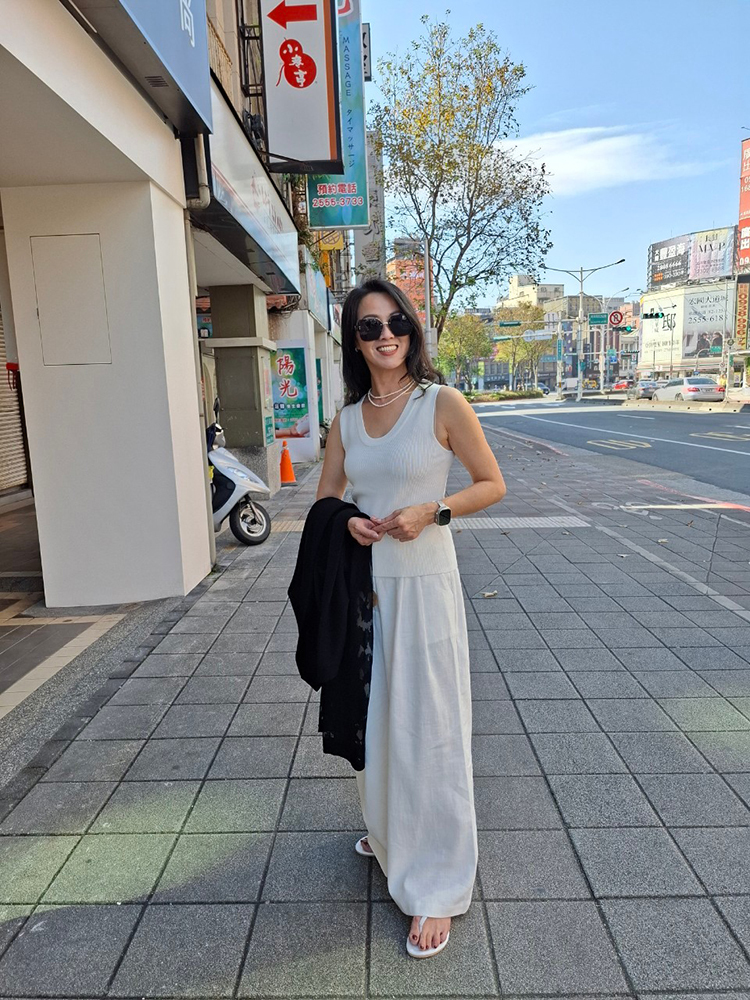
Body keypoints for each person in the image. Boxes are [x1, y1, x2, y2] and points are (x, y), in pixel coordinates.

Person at [315, 278, 506, 958]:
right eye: (370, 326)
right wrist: (349, 523)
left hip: (425, 587)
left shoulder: (440, 403)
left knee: (430, 728)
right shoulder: (345, 420)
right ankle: (390, 832)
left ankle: (437, 884)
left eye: (396, 321)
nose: (386, 334)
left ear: (412, 328)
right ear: (354, 339)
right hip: (367, 591)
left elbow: (492, 484)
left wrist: (434, 510)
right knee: (376, 722)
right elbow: (327, 499)